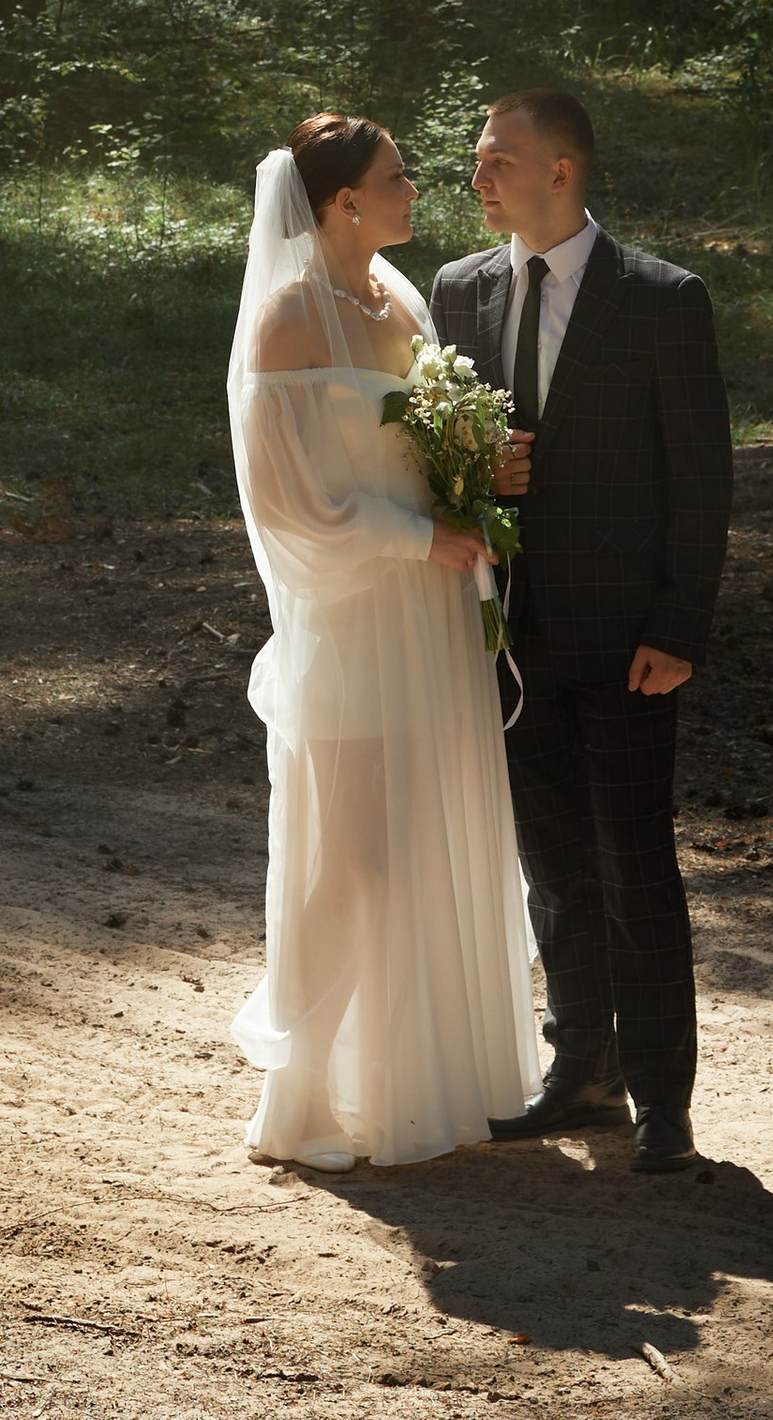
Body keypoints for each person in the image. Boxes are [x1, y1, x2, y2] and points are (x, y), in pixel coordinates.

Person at [430, 88, 733, 1175]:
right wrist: (475, 476)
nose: (478, 177)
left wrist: (679, 626)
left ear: (560, 171)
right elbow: (437, 459)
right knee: (553, 868)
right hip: (509, 636)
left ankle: (663, 1103)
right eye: (477, 159)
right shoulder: (458, 291)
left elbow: (702, 480)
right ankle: (581, 1074)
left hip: (627, 641)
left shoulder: (662, 298)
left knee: (635, 867)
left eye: (497, 160)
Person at [227, 113, 538, 1169]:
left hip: (432, 612)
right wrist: (417, 537)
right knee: (355, 857)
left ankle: (420, 1082)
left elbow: (414, 452)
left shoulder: (399, 298)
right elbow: (287, 508)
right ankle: (295, 1095)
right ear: (343, 201)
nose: (417, 190)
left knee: (421, 846)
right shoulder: (287, 320)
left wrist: (476, 477)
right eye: (397, 177)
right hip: (356, 619)